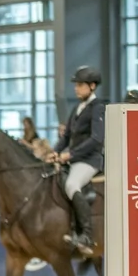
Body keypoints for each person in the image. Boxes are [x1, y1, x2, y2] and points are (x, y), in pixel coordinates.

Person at [49, 65, 104, 256]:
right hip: (73, 159)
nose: (76, 88)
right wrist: (55, 152)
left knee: (72, 184)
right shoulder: (77, 108)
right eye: (76, 85)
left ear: (92, 86)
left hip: (90, 160)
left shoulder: (98, 108)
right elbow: (66, 137)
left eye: (80, 85)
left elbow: (96, 139)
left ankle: (86, 235)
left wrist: (70, 155)